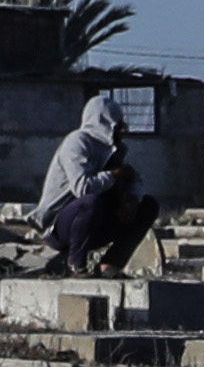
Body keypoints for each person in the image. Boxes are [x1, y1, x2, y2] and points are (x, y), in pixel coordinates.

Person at [32, 94, 151, 276]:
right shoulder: (77, 143)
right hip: (61, 226)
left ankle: (110, 265)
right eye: (118, 127)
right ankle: (76, 265)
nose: (121, 132)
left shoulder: (116, 149)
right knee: (91, 201)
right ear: (105, 124)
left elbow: (134, 178)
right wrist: (113, 174)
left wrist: (132, 198)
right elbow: (82, 188)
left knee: (148, 205)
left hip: (95, 225)